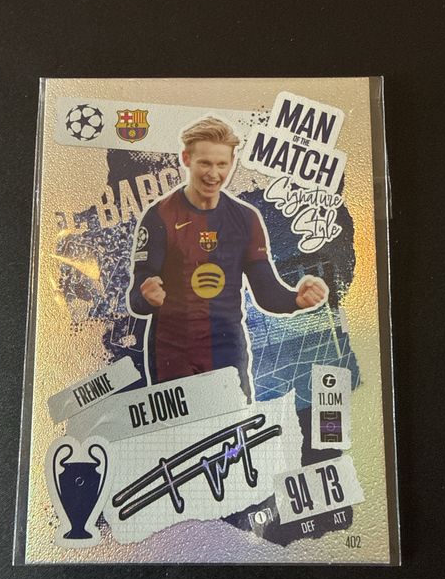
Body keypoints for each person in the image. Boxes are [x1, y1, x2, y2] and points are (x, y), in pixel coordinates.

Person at [127, 116, 327, 398]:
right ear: (186, 159)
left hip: (227, 350)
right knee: (183, 429)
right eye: (205, 163)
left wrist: (296, 299)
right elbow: (136, 299)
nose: (214, 173)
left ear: (232, 162)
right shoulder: (159, 216)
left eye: (222, 164)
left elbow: (267, 293)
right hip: (171, 352)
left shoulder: (246, 219)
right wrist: (146, 296)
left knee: (234, 427)